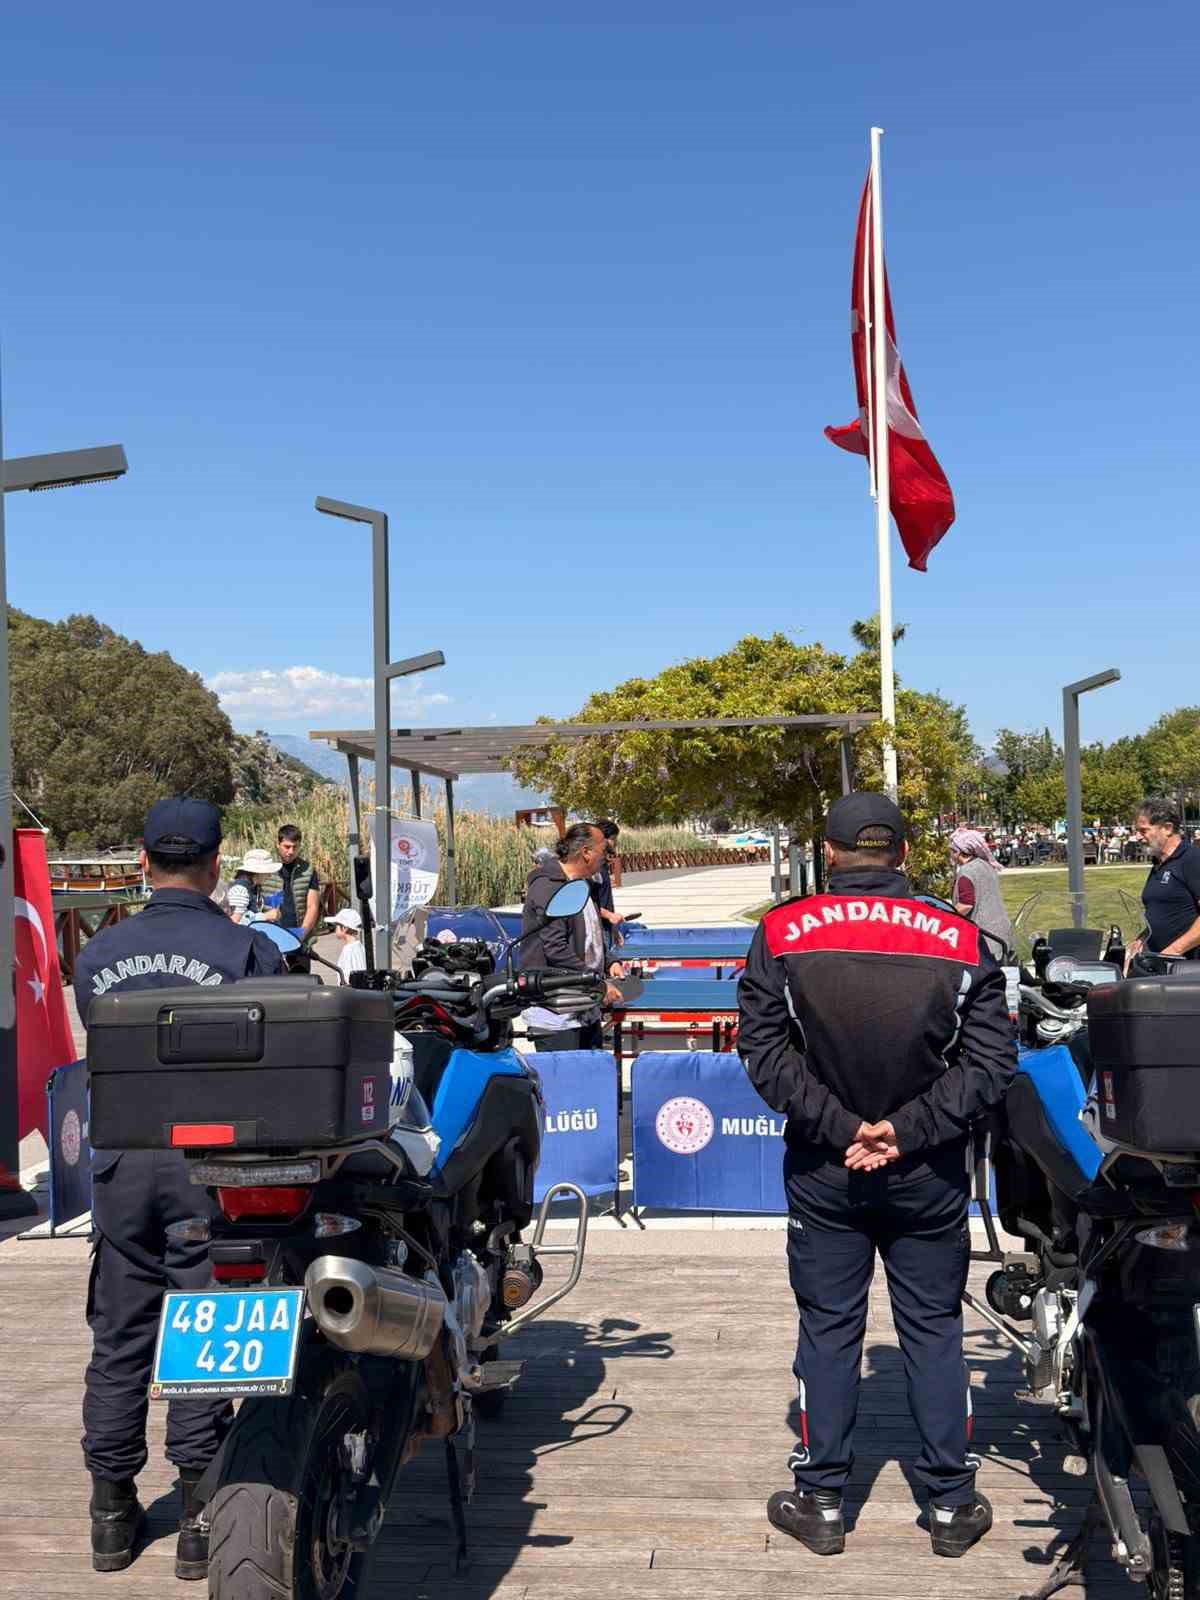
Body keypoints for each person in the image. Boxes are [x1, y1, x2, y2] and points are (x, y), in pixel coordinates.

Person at [737, 792, 1016, 1560]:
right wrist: (905, 1131)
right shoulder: (959, 938)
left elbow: (763, 1054)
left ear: (827, 852)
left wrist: (845, 1129)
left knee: (829, 1329)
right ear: (901, 853)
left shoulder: (783, 932)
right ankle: (952, 1507)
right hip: (926, 1168)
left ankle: (822, 1500)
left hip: (828, 1166)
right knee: (934, 1328)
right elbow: (992, 1061)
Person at [73, 798, 284, 1579]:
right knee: (206, 1334)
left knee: (119, 1336)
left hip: (122, 1165)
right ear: (216, 864)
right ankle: (200, 1516)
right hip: (210, 1169)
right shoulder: (248, 949)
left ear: (142, 861)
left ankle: (110, 1515)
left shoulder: (98, 954)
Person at [520, 822, 622, 1050]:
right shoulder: (548, 887)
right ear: (586, 853)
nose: (608, 857)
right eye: (605, 851)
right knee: (563, 1083)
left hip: (585, 1004)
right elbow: (555, 948)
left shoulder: (584, 884)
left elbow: (590, 932)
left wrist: (609, 960)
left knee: (589, 1081)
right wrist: (598, 983)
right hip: (556, 1012)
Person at [1126, 798, 1200, 965]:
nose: (1137, 837)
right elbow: (1162, 914)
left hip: (1185, 970)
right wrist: (1141, 940)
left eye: (1143, 831)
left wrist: (1172, 952)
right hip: (1157, 965)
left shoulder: (1192, 859)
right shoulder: (1159, 864)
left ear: (1167, 828)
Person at [949, 828, 1016, 962]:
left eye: (951, 850)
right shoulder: (985, 865)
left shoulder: (966, 872)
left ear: (959, 852)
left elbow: (966, 905)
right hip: (1002, 932)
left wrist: (946, 915)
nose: (950, 854)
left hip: (986, 938)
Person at [275, 823, 321, 971]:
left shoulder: (308, 870)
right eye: (287, 847)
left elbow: (313, 906)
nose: (291, 851)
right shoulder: (267, 869)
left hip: (299, 939)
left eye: (295, 847)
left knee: (302, 986)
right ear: (278, 844)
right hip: (272, 938)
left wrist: (301, 933)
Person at [590, 818, 625, 948]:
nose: (615, 842)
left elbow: (605, 900)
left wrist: (614, 929)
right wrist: (609, 915)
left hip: (606, 928)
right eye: (613, 838)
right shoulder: (592, 868)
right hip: (594, 930)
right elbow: (586, 903)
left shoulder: (603, 865)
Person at [224, 845, 282, 924]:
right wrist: (265, 916)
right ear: (257, 872)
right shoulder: (240, 890)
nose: (270, 875)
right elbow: (235, 923)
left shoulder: (253, 887)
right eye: (267, 871)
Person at [325, 906, 367, 982]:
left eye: (337, 925)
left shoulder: (349, 950)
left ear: (344, 928)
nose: (335, 929)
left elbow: (348, 976)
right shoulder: (359, 946)